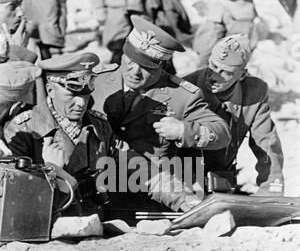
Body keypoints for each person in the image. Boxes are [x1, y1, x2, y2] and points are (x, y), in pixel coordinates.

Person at [92, 16, 232, 212]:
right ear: (123, 54)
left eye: (146, 67)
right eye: (130, 61)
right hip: (98, 190)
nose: (134, 72)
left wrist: (184, 130)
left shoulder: (182, 95)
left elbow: (222, 133)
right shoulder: (96, 81)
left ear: (161, 66)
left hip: (153, 195)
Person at [3, 52, 115, 216]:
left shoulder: (100, 125)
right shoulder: (23, 130)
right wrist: (52, 169)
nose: (81, 103)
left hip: (95, 223)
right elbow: (17, 198)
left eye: (85, 95)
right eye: (71, 95)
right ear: (51, 90)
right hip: (49, 226)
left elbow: (128, 166)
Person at [184, 34, 285, 197]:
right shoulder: (185, 87)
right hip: (183, 182)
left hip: (221, 181)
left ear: (242, 74)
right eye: (213, 66)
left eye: (226, 72)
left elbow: (266, 143)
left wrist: (271, 188)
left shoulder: (254, 93)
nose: (214, 76)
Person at [183, 0, 271, 68]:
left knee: (236, 63)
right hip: (213, 14)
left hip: (241, 16)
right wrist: (197, 0)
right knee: (204, 57)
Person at [87, 0, 162, 64]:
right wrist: (99, 7)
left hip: (144, 1)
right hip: (118, 2)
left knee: (145, 45)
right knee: (118, 45)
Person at [0, 0, 37, 64]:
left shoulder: (24, 40)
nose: (20, 13)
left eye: (20, 5)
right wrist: (16, 53)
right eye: (12, 7)